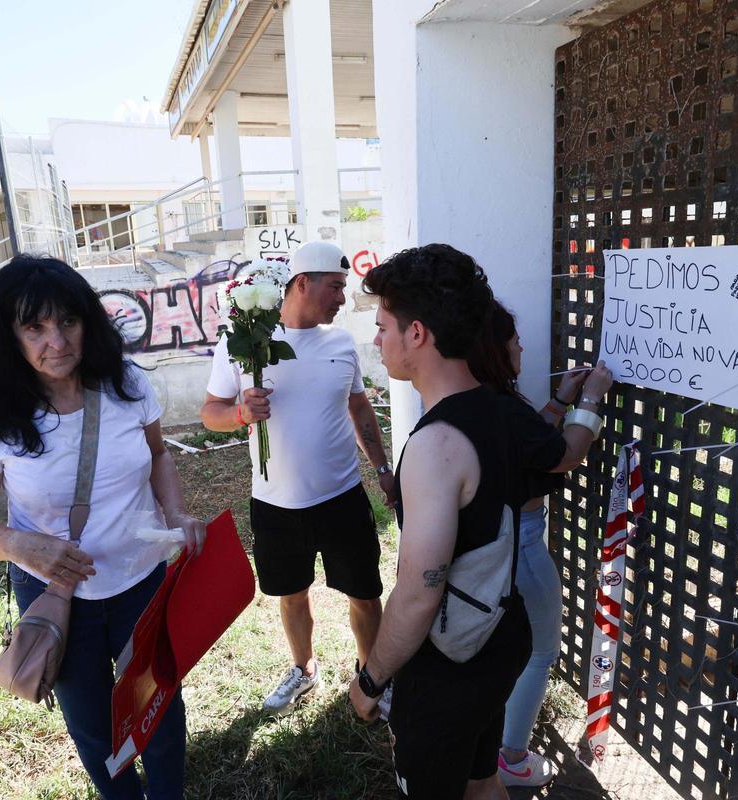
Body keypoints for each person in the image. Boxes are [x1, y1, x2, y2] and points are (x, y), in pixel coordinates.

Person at [348, 244, 606, 800]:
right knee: (481, 782)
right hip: (498, 639)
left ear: (418, 334)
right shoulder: (499, 409)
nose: (377, 340)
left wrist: (371, 679)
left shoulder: (437, 443)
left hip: (449, 662)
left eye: (383, 327)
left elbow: (419, 593)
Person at [0, 255, 203, 799]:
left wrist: (177, 514)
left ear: (89, 321)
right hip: (57, 594)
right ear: (8, 335)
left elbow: (159, 456)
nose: (57, 341)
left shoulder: (126, 383)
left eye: (68, 321)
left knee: (158, 707)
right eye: (34, 328)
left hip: (141, 581)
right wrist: (22, 546)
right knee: (93, 726)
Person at [200, 240, 394, 715]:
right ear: (302, 283)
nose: (342, 298)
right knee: (290, 595)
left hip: (342, 497)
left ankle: (371, 678)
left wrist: (382, 468)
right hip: (276, 503)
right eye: (335, 287)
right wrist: (241, 414)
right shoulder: (245, 342)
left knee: (365, 594)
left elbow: (359, 408)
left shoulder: (341, 343)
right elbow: (210, 412)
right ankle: (304, 670)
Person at [466, 301, 612, 788]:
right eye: (514, 342)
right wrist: (590, 399)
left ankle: (495, 736)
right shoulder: (503, 406)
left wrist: (560, 400)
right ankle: (511, 757)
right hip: (522, 543)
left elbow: (528, 442)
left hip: (493, 540)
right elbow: (565, 454)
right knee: (540, 650)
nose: (522, 349)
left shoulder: (477, 400)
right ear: (495, 350)